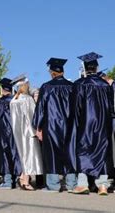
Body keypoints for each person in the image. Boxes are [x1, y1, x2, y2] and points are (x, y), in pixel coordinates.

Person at [72, 52, 115, 196]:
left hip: (85, 122)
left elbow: (76, 107)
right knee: (102, 150)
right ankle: (102, 185)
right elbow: (111, 107)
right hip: (103, 122)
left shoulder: (79, 84)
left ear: (84, 68)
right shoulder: (105, 85)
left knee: (84, 149)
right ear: (97, 67)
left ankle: (83, 184)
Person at [32, 58, 76, 192]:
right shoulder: (72, 86)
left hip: (51, 125)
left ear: (52, 72)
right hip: (69, 125)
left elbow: (40, 108)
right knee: (70, 153)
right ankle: (71, 184)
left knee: (51, 153)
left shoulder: (46, 87)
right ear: (62, 71)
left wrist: (38, 127)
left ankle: (53, 185)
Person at [11, 75, 43, 191]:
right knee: (29, 155)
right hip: (28, 131)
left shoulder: (13, 100)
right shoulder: (28, 99)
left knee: (23, 155)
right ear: (25, 86)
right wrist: (36, 130)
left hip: (18, 132)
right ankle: (25, 181)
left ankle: (22, 177)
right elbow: (32, 116)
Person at [0, 78, 22, 189]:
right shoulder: (16, 100)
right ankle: (16, 180)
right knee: (16, 155)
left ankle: (8, 181)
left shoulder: (0, 102)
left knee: (5, 155)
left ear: (2, 89)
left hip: (4, 132)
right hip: (17, 132)